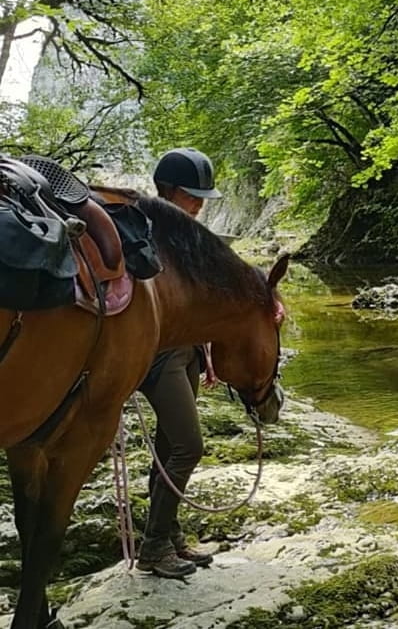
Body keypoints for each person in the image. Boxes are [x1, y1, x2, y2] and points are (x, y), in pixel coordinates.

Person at [137, 147, 224, 578]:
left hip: (186, 351)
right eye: (192, 195)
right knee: (190, 446)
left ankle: (168, 537)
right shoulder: (146, 236)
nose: (199, 203)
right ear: (168, 191)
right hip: (159, 355)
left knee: (170, 448)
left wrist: (206, 352)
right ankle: (152, 547)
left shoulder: (186, 235)